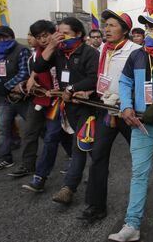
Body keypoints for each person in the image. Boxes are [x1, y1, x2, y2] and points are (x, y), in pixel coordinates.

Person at [108, 12, 153, 242]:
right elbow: (125, 81)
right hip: (140, 124)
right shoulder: (137, 56)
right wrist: (127, 106)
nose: (148, 31)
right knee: (138, 173)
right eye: (147, 27)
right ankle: (132, 225)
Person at [78, 10, 141, 223]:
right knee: (98, 156)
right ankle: (95, 206)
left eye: (113, 25)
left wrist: (127, 101)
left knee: (140, 160)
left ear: (125, 30)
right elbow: (102, 78)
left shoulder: (136, 51)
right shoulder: (104, 48)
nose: (107, 29)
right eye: (106, 25)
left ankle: (139, 208)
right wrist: (90, 92)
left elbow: (140, 83)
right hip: (106, 111)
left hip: (128, 112)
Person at [33, 17, 99, 203]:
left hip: (88, 107)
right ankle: (98, 171)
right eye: (58, 33)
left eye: (66, 34)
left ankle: (68, 188)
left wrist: (71, 89)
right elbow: (38, 67)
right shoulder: (59, 52)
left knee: (79, 144)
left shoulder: (89, 52)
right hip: (68, 107)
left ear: (78, 33)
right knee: (91, 147)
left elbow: (94, 78)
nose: (61, 37)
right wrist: (51, 46)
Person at [14, 20, 72, 181]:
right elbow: (36, 68)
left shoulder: (62, 51)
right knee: (30, 132)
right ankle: (28, 164)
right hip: (38, 100)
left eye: (45, 35)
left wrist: (59, 91)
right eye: (38, 37)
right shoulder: (35, 55)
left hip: (57, 101)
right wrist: (28, 81)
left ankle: (42, 175)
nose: (43, 40)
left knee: (54, 136)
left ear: (54, 32)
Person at [0, 26, 31, 171]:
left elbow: (25, 73)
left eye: (4, 37)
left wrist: (7, 85)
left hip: (21, 98)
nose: (1, 40)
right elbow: (0, 73)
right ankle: (5, 159)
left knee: (36, 128)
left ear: (11, 36)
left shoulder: (22, 50)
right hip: (5, 98)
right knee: (2, 129)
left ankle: (65, 152)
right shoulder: (0, 52)